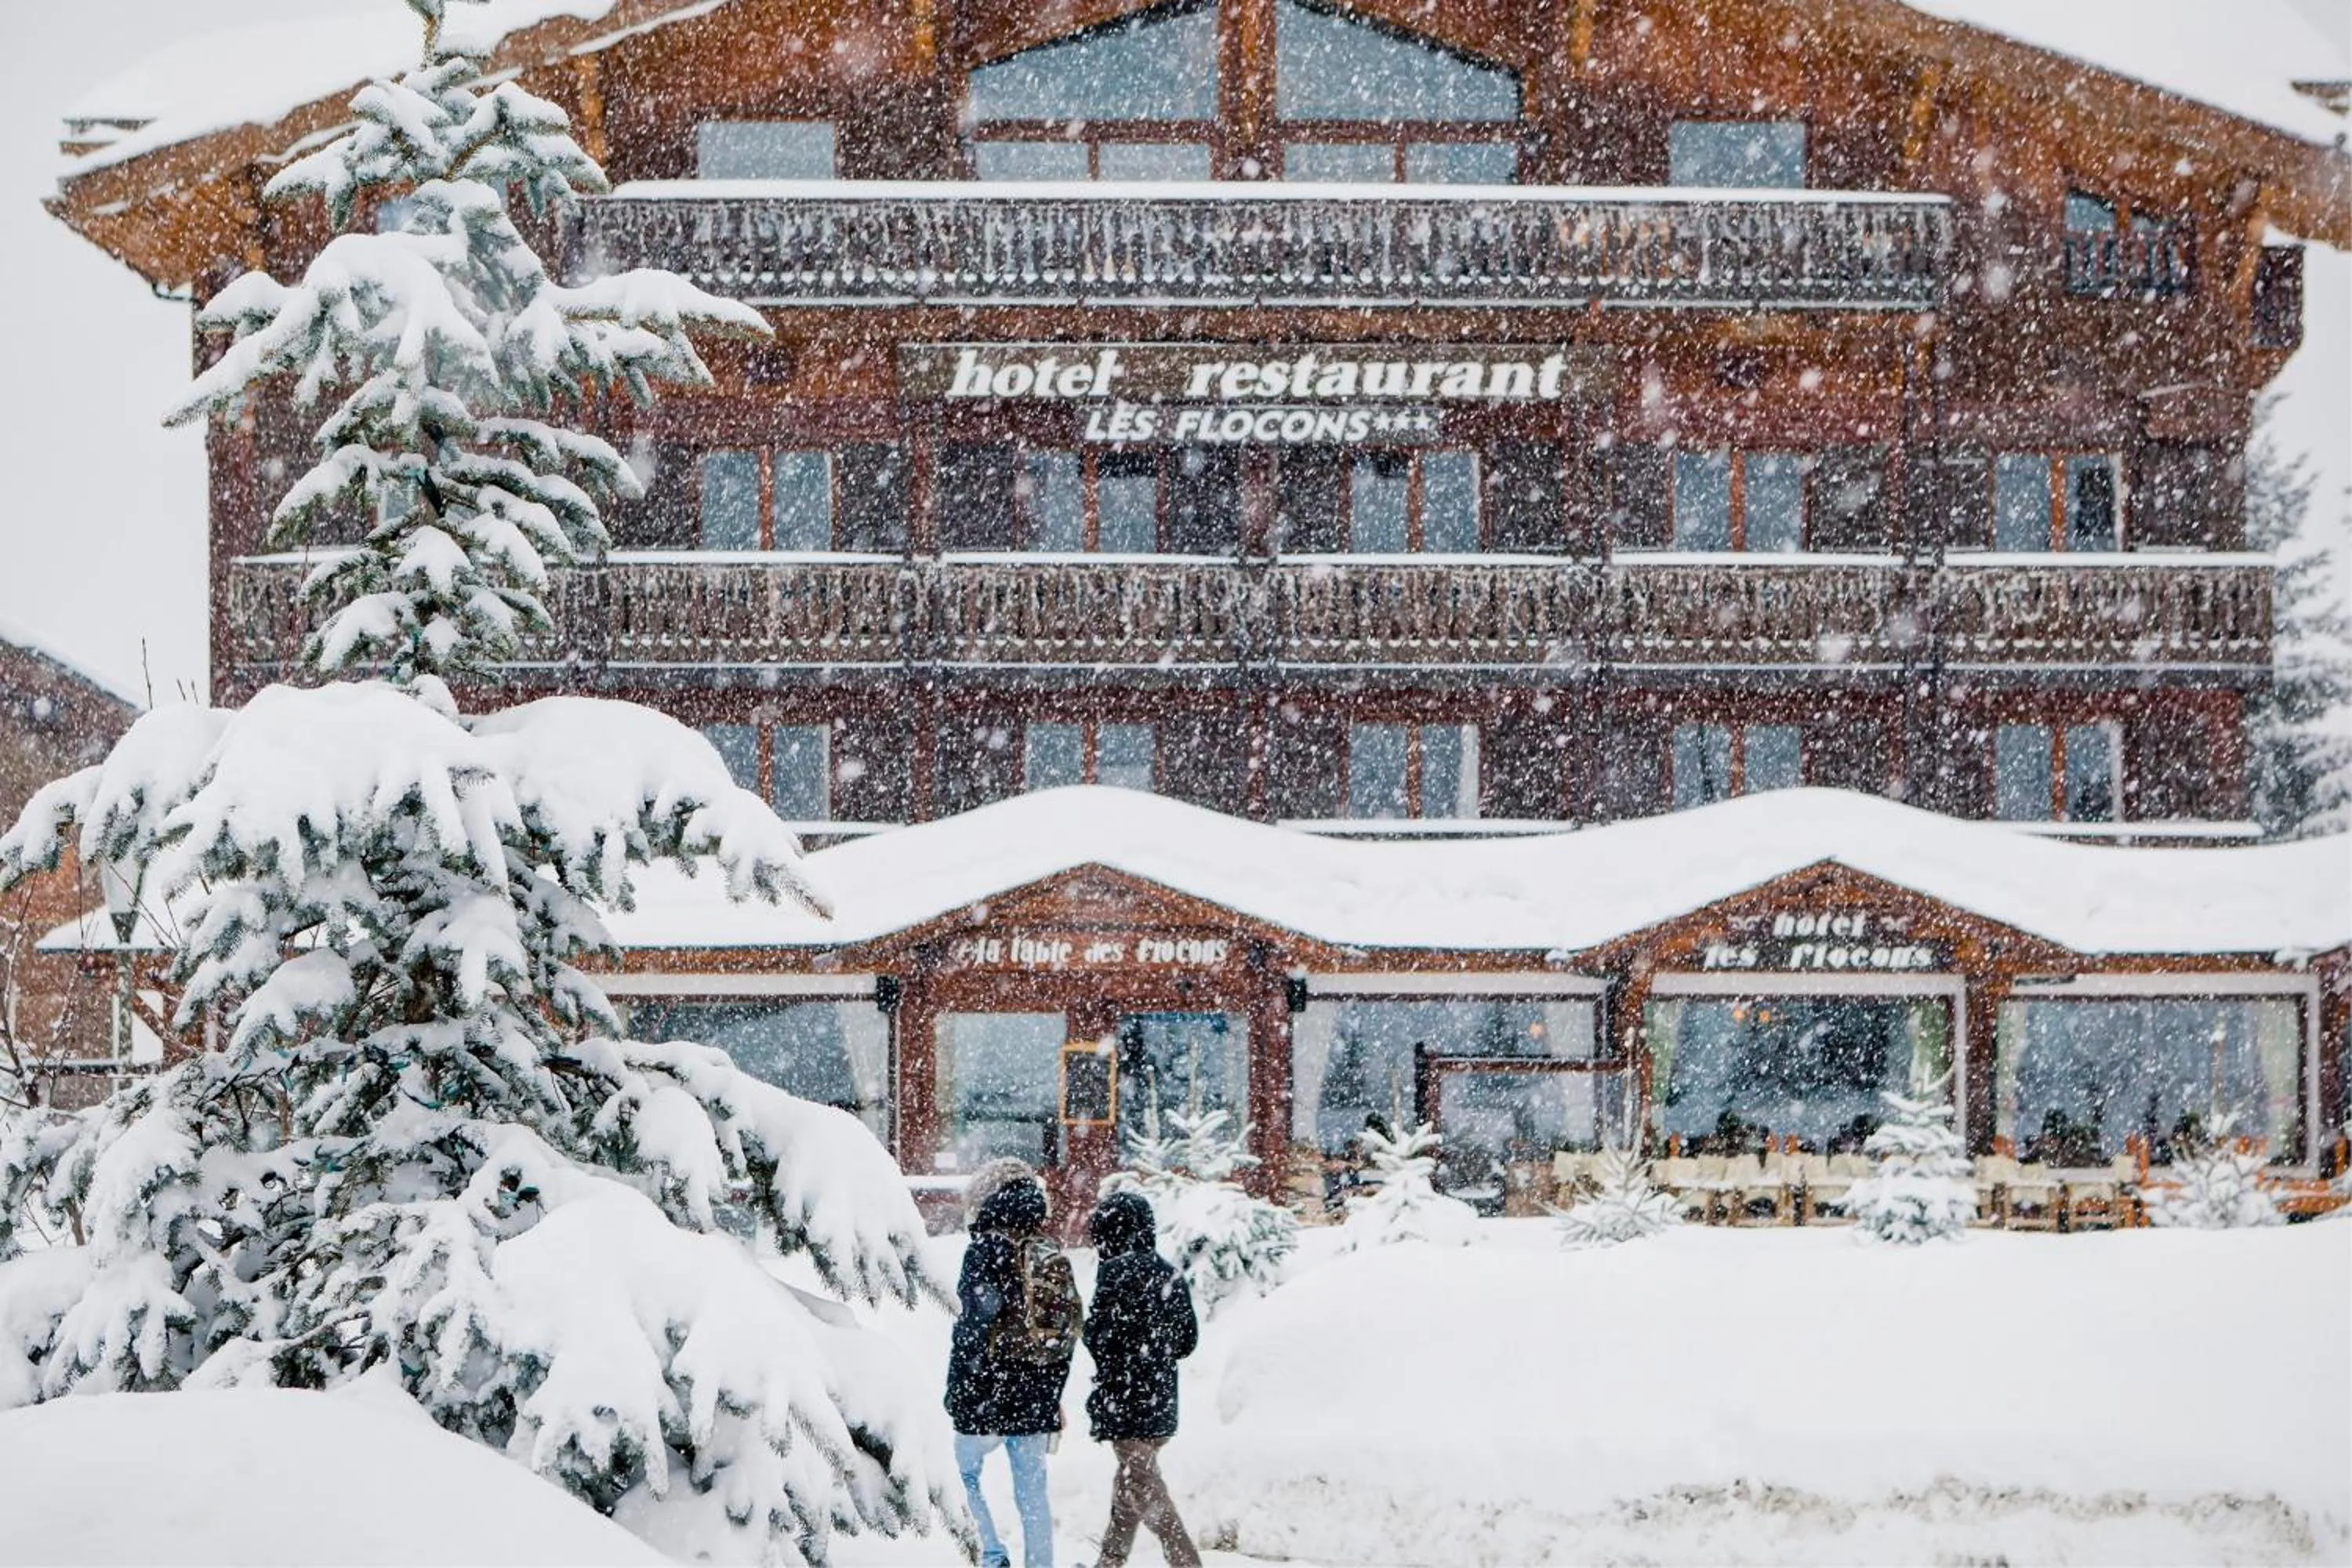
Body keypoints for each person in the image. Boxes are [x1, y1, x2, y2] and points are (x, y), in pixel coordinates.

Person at [947, 1160, 1081, 1568]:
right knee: (1033, 1490)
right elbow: (1067, 1331)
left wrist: (960, 1387)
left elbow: (974, 1322)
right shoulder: (1047, 1247)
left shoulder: (987, 1247)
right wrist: (1050, 1393)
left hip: (989, 1387)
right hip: (1037, 1390)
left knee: (957, 1475)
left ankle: (991, 1554)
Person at [1080, 1190, 1203, 1568]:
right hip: (1160, 1403)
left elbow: (1098, 1338)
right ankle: (1109, 1563)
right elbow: (1187, 1341)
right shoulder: (1169, 1272)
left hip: (1125, 1402)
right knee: (1130, 1484)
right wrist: (1155, 1352)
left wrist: (1122, 1348)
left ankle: (1188, 1564)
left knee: (1144, 1487)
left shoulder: (1114, 1272)